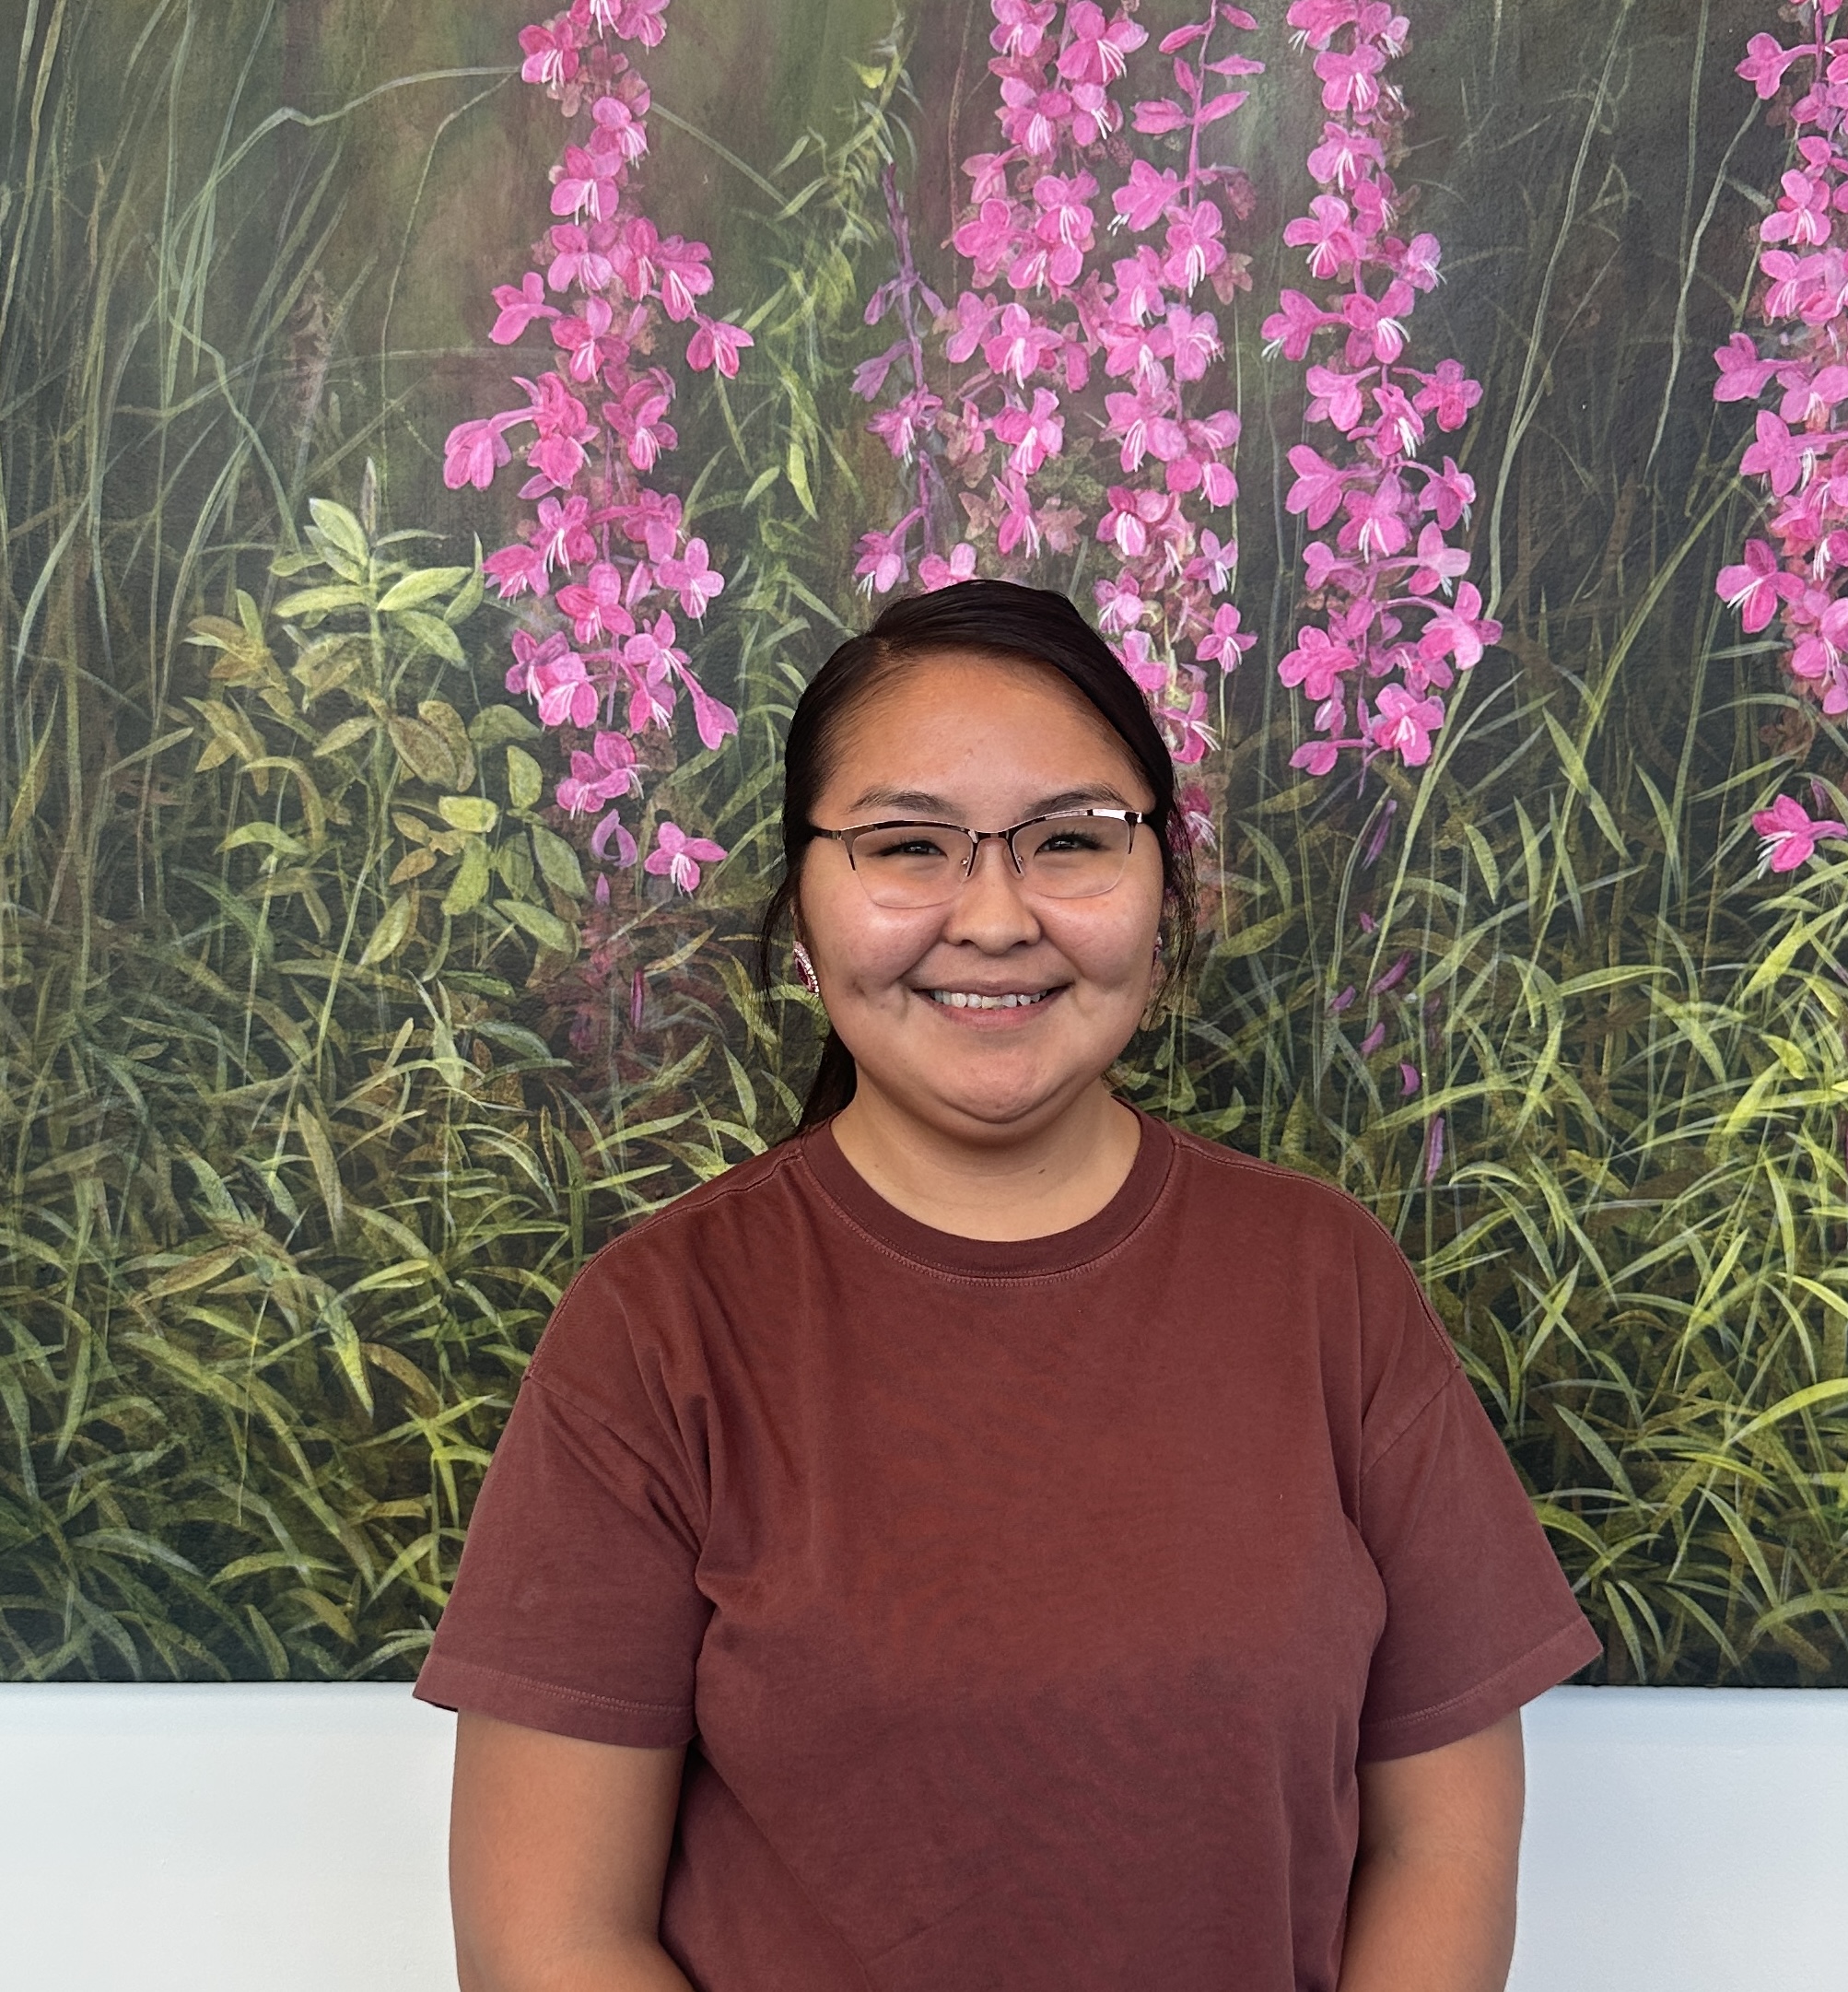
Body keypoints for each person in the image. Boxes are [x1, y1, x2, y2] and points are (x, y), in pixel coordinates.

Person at [415, 580, 1601, 1991]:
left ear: (1167, 885)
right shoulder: (657, 1328)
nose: (991, 917)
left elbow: (1443, 1849)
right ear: (802, 895)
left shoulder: (1320, 1281)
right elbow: (548, 1938)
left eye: (1068, 842)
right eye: (906, 845)